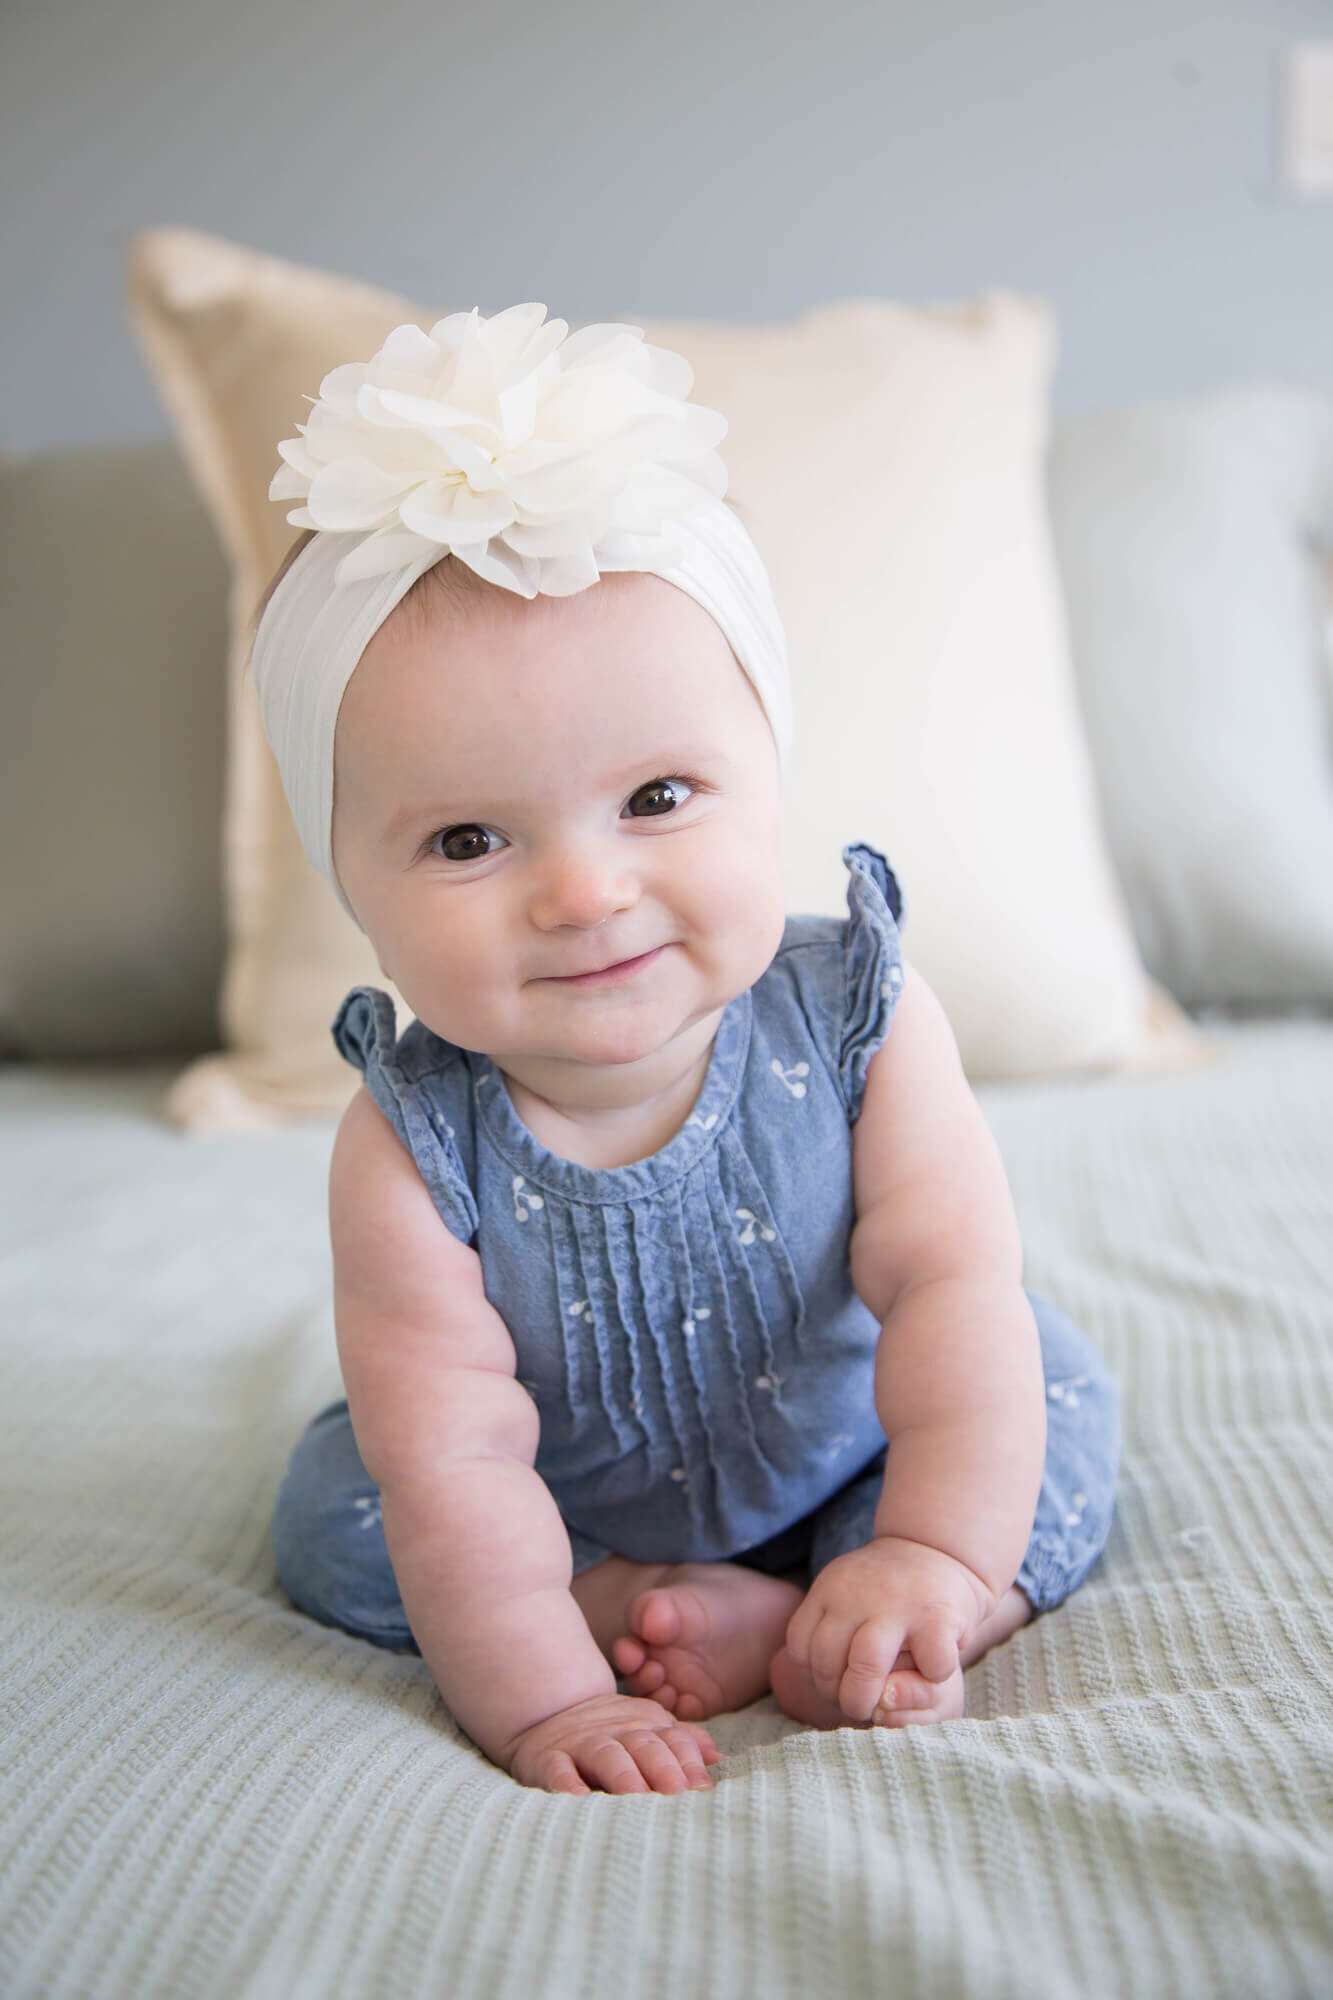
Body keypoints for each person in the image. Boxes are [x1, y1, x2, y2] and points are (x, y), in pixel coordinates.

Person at [258, 303, 1120, 1798]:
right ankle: (621, 1616)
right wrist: (542, 1706)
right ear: (356, 892)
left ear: (764, 774)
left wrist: (928, 1543)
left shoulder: (858, 1017)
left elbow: (944, 1286)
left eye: (656, 797)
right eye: (469, 838)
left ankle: (889, 1599)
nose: (584, 891)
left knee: (1045, 1388)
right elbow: (458, 1456)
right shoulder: (411, 1142)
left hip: (857, 1451)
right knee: (345, 1505)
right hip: (556, 1504)